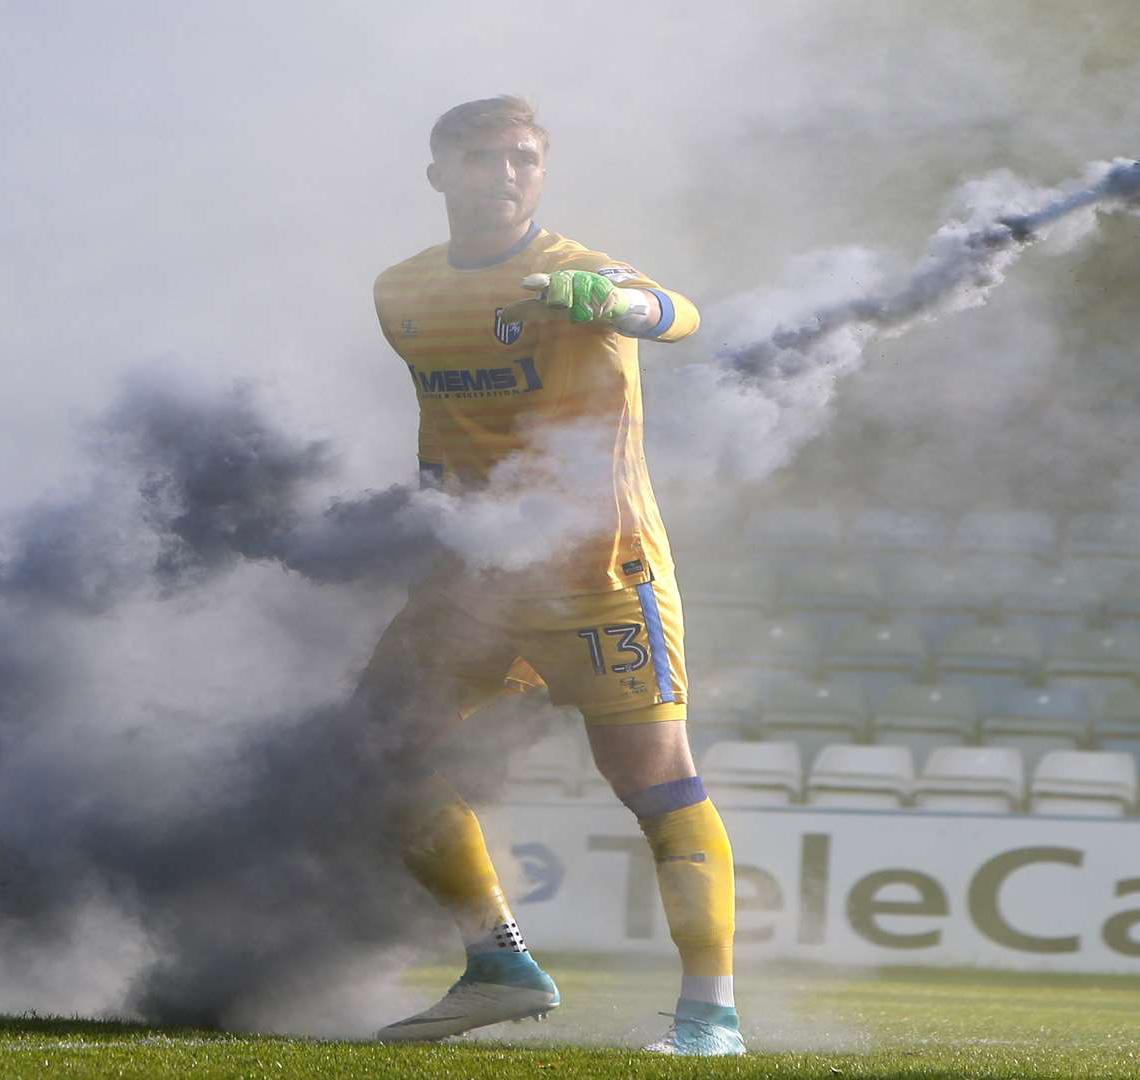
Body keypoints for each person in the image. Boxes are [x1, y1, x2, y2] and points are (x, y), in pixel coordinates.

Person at [363, 96, 741, 1056]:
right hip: (473, 580)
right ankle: (500, 965)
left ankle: (711, 1019)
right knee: (378, 749)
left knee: (654, 783)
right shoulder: (399, 291)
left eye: (524, 159)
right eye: (483, 158)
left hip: (598, 574)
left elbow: (676, 313)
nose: (506, 175)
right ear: (438, 171)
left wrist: (617, 306)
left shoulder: (575, 272)